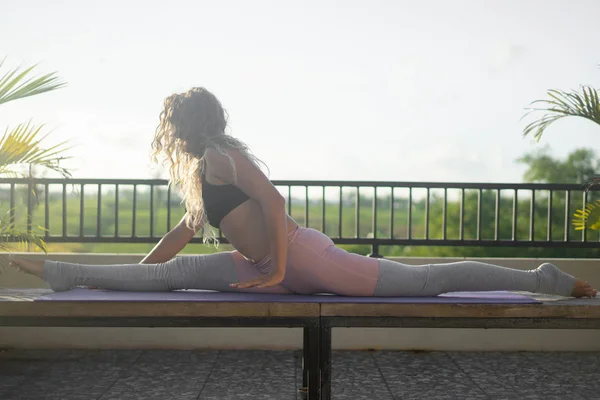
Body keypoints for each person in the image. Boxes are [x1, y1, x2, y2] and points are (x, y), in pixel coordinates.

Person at [8, 87, 597, 298]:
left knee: (426, 281)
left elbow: (276, 204)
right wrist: (131, 281)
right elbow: (183, 233)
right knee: (165, 275)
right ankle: (65, 274)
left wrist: (275, 274)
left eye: (168, 122)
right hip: (260, 263)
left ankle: (541, 278)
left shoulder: (220, 156)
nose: (165, 132)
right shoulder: (198, 171)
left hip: (303, 259)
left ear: (183, 124)